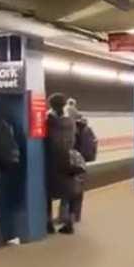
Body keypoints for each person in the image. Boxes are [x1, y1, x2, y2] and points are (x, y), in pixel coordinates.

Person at [45, 93, 83, 235]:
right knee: (68, 192)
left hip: (52, 162)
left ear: (51, 105)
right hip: (67, 161)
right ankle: (68, 223)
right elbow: (73, 140)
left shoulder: (49, 121)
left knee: (47, 194)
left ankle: (48, 224)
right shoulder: (70, 122)